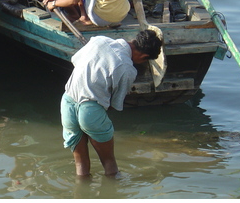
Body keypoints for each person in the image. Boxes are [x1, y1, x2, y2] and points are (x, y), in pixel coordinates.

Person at [61, 29, 163, 177]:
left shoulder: (98, 40)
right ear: (144, 56)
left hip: (67, 102)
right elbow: (114, 104)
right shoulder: (128, 69)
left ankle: (81, 194)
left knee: (80, 164)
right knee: (109, 164)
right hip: (90, 110)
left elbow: (75, 61)